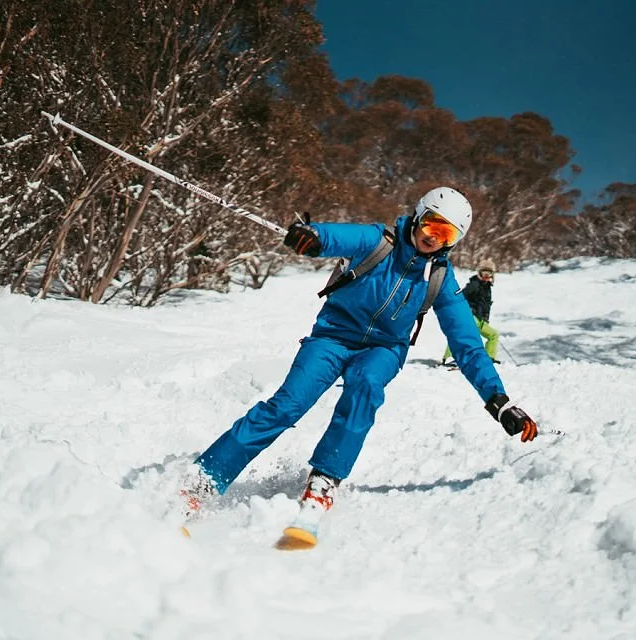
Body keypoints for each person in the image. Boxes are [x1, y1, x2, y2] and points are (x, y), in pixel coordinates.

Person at [183, 187, 539, 541]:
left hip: (383, 349)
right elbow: (336, 237)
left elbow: (468, 345)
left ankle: (325, 478)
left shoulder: (440, 280)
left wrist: (499, 400)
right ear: (418, 215)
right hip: (332, 338)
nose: (433, 238)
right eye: (431, 225)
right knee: (286, 405)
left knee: (366, 384)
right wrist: (312, 237)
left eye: (446, 234)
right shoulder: (378, 241)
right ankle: (205, 479)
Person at [442, 257, 500, 366]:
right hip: (469, 316)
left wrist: (485, 318)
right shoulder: (474, 284)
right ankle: (450, 358)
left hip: (480, 319)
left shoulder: (487, 287)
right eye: (484, 273)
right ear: (479, 273)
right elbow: (460, 297)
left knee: (493, 335)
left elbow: (486, 305)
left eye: (489, 273)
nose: (486, 276)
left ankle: (489, 358)